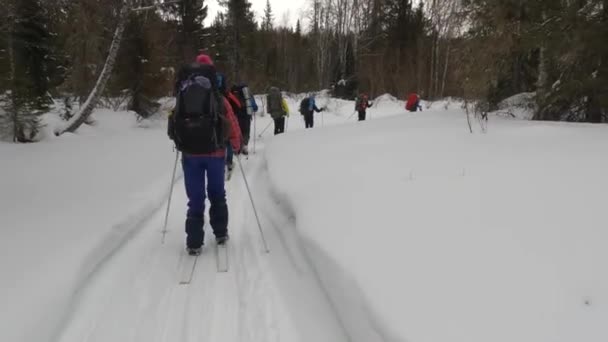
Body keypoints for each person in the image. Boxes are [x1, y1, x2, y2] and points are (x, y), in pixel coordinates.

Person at [168, 53, 242, 255]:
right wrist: (235, 145)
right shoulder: (218, 97)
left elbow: (173, 123)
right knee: (217, 194)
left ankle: (193, 242)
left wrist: (180, 141)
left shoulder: (183, 93)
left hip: (191, 155)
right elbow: (232, 122)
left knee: (196, 198)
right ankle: (220, 233)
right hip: (215, 153)